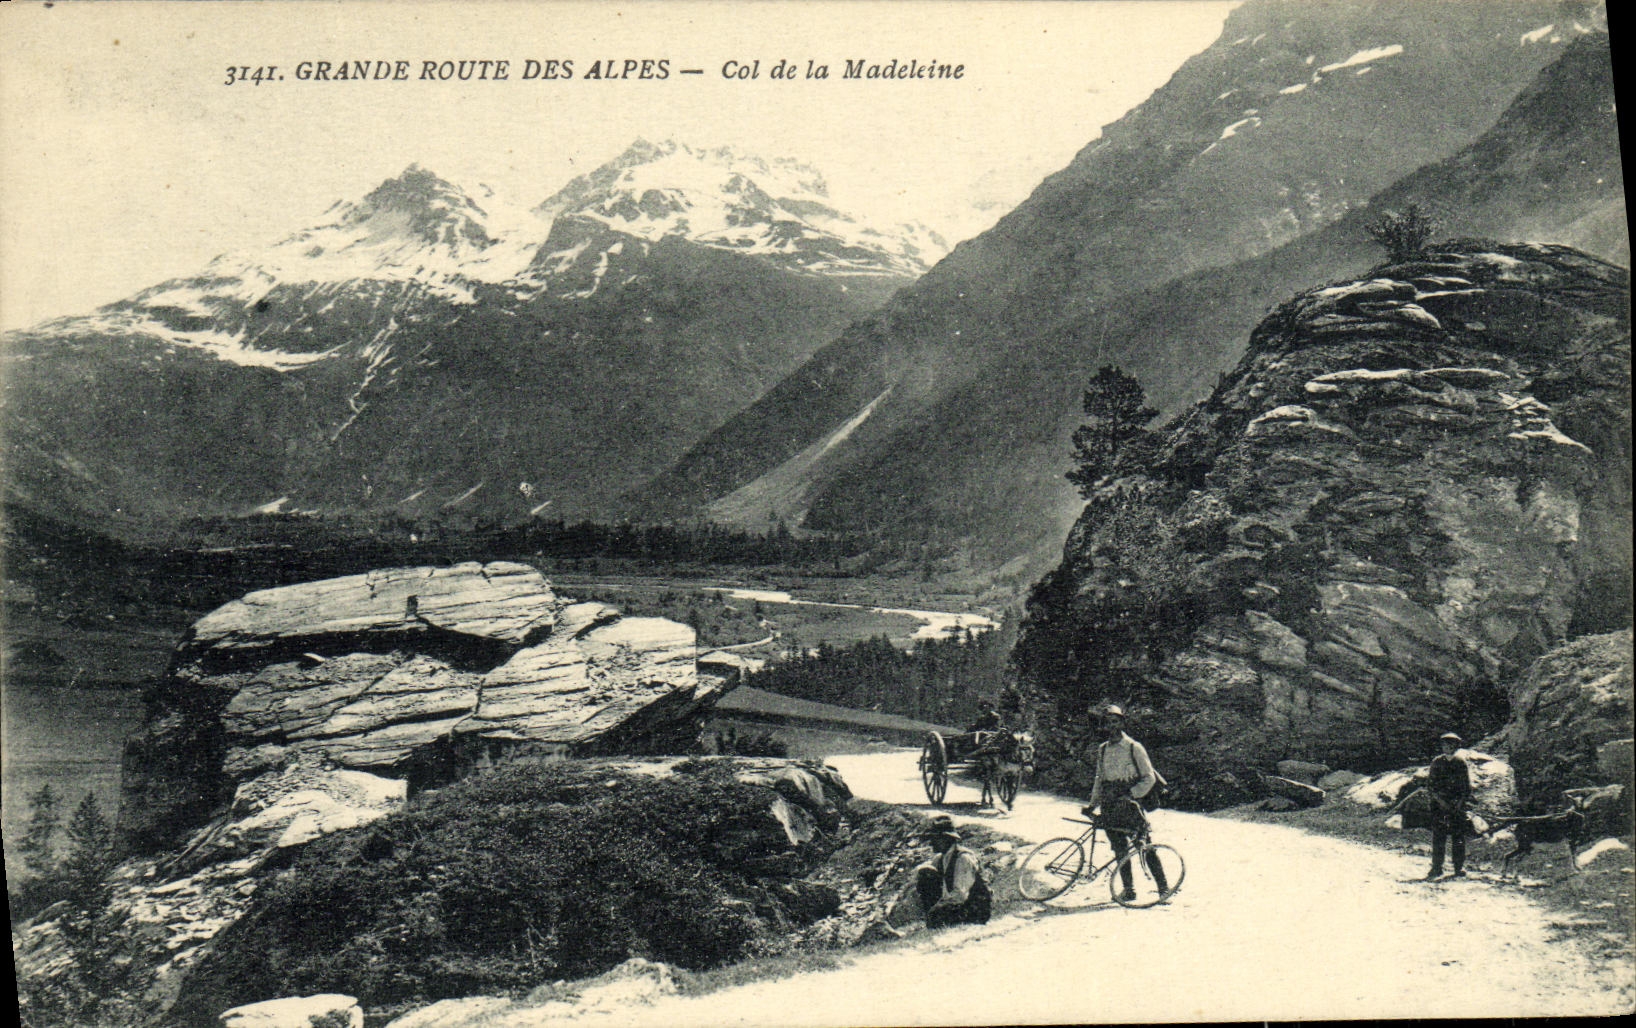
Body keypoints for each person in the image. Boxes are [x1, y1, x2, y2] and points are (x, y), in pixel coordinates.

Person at [1085, 704, 1168, 902]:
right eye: (1107, 723)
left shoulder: (1134, 747)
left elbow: (1149, 778)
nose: (1111, 726)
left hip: (1130, 806)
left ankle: (1163, 889)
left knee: (1144, 845)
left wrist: (1131, 795)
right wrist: (1092, 804)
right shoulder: (1102, 749)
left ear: (1122, 723)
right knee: (1119, 848)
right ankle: (1129, 890)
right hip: (1109, 804)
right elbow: (1099, 779)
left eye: (1115, 721)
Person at [913, 814, 992, 929]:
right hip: (954, 903)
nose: (931, 843)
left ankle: (937, 921)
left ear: (945, 839)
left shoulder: (963, 859)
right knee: (926, 876)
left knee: (938, 915)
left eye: (935, 839)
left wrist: (938, 907)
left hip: (973, 908)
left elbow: (960, 895)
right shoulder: (940, 858)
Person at [1426, 731, 1473, 879]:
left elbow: (1466, 787)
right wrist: (1441, 801)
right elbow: (1431, 786)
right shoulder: (1437, 762)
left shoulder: (1460, 763)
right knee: (1438, 837)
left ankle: (1458, 868)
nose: (1447, 747)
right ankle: (1437, 867)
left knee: (1458, 838)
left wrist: (1459, 804)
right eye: (1445, 744)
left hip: (1456, 807)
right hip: (1439, 806)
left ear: (1456, 746)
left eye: (1451, 745)